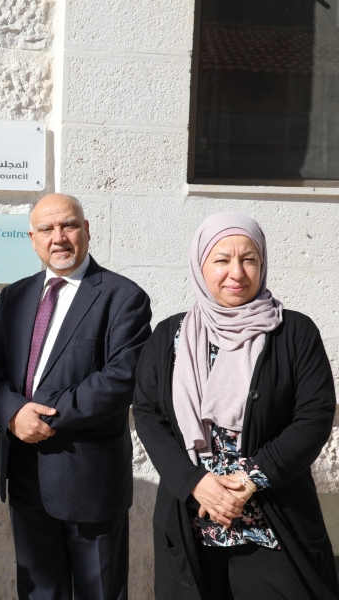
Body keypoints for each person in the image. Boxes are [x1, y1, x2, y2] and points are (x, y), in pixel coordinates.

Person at [132, 212, 339, 599]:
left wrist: (249, 480)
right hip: (192, 524)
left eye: (249, 259)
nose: (237, 272)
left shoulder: (294, 332)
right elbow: (148, 414)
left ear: (263, 263)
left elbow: (313, 417)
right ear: (200, 265)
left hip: (273, 528)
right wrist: (194, 483)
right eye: (222, 260)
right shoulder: (169, 336)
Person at [0, 193, 152, 599]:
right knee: (39, 592)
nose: (59, 237)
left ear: (86, 230)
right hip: (25, 474)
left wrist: (41, 416)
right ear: (32, 239)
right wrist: (13, 414)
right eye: (47, 229)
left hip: (89, 481)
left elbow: (121, 378)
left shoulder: (123, 297)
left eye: (68, 225)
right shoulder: (15, 296)